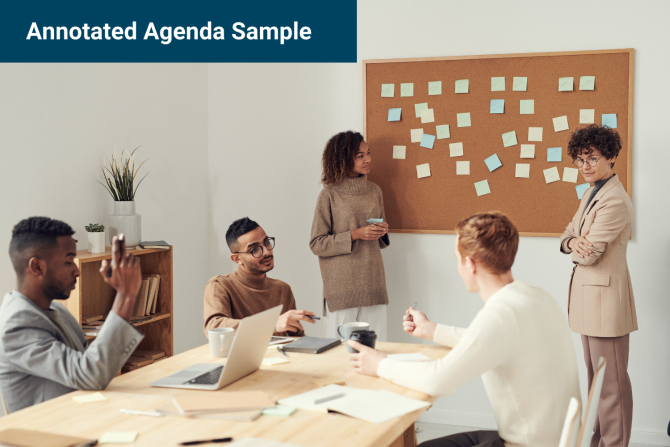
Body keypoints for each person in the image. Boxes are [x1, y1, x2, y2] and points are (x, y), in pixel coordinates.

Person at [348, 212, 580, 447]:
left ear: (470, 263)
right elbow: (490, 341)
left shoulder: (501, 314)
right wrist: (432, 330)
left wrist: (380, 365)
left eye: (457, 258)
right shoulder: (535, 295)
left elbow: (436, 380)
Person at [0, 217, 144, 413]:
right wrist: (126, 295)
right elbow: (90, 373)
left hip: (82, 421)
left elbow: (91, 368)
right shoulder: (17, 323)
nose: (77, 270)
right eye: (69, 261)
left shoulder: (58, 310)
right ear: (37, 267)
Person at [560, 124, 636, 447]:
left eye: (591, 158)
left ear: (612, 156)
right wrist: (572, 242)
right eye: (579, 160)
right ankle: (599, 443)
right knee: (598, 384)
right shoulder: (592, 192)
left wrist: (576, 244)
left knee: (612, 389)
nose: (585, 167)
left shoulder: (615, 200)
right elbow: (567, 235)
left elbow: (589, 255)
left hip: (606, 304)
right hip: (589, 304)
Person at [310, 131, 390, 341]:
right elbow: (317, 244)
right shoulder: (329, 194)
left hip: (373, 282)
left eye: (368, 153)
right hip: (341, 289)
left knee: (376, 348)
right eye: (360, 155)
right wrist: (355, 234)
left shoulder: (375, 191)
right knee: (338, 351)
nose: (368, 159)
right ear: (343, 158)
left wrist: (381, 231)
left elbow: (379, 242)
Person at [204, 217, 314, 336]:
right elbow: (214, 327)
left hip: (280, 355)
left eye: (267, 242)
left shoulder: (283, 289)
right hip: (243, 355)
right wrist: (270, 325)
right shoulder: (219, 285)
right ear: (237, 259)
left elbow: (297, 340)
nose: (267, 252)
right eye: (255, 249)